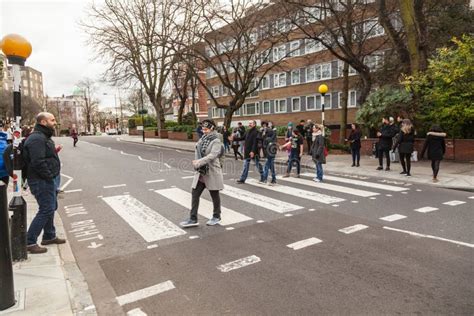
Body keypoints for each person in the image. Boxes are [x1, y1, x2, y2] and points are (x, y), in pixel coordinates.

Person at [23, 112, 65, 254]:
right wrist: (48, 176)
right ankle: (29, 241)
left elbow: (44, 156)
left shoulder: (43, 137)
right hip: (41, 180)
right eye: (52, 120)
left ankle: (49, 236)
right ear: (43, 122)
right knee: (46, 209)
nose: (55, 122)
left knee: (51, 207)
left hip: (47, 178)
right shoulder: (36, 139)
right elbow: (37, 162)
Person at [180, 119, 224, 227]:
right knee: (195, 194)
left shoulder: (216, 140)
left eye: (206, 129)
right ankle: (193, 218)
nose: (204, 131)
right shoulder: (203, 139)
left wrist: (199, 162)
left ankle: (216, 216)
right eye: (203, 129)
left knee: (214, 195)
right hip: (201, 172)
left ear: (212, 128)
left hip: (211, 171)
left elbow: (212, 155)